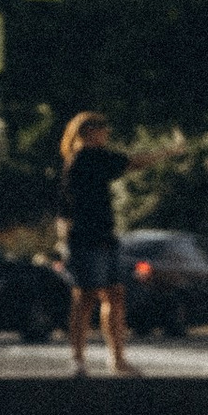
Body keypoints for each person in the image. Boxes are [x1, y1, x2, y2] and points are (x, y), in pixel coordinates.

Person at [57, 110, 137, 377]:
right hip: (87, 238)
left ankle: (116, 359)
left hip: (102, 235)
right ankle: (80, 359)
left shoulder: (83, 159)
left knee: (113, 295)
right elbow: (131, 163)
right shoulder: (86, 158)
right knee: (86, 297)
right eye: (102, 129)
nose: (106, 134)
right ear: (89, 132)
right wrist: (168, 153)